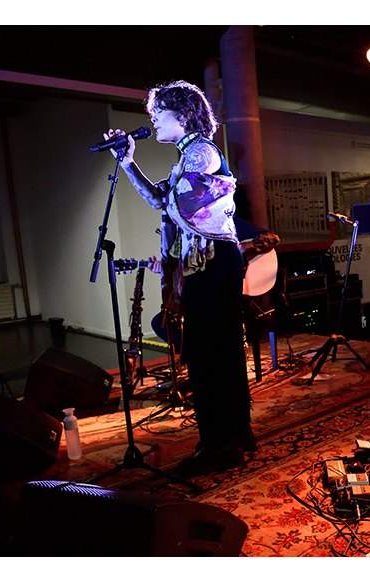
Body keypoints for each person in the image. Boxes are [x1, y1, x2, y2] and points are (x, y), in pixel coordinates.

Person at [104, 80, 256, 477]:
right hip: (209, 261)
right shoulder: (188, 157)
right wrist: (128, 162)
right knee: (220, 350)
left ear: (184, 115)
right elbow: (163, 199)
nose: (152, 119)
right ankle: (237, 432)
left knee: (207, 354)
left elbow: (181, 202)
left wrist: (176, 191)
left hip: (212, 260)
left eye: (159, 113)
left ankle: (217, 444)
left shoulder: (201, 152)